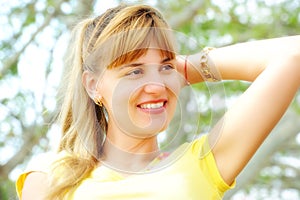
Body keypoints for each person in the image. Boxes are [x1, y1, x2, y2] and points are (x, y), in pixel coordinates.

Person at [16, 4, 300, 200]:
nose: (155, 86)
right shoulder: (52, 174)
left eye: (165, 67)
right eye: (134, 71)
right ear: (93, 86)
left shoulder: (202, 165)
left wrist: (189, 67)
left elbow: (293, 56)